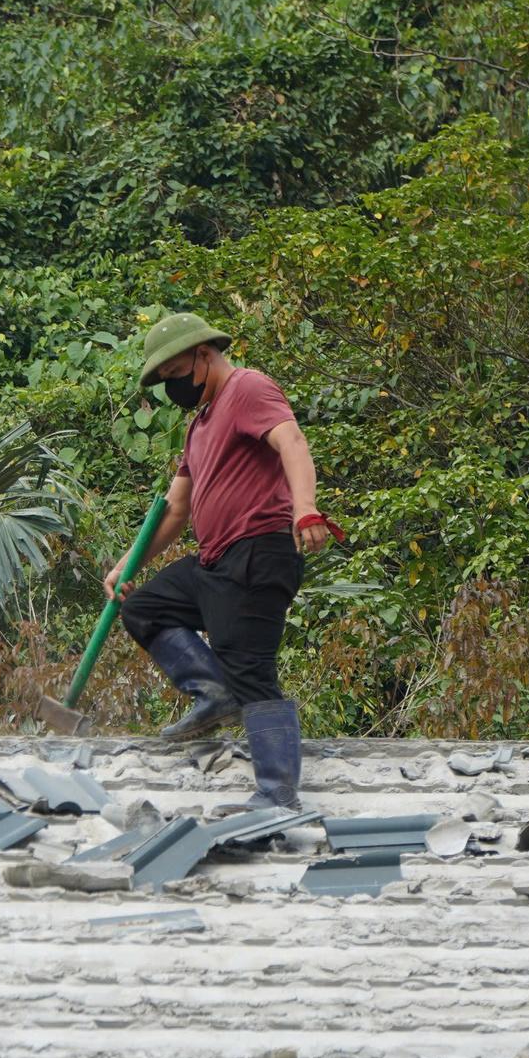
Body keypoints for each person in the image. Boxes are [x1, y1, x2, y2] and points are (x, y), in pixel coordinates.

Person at [104, 312, 338, 814]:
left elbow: (292, 442)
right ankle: (213, 693)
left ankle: (277, 794)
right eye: (164, 381)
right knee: (145, 607)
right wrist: (128, 563)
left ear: (203, 356)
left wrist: (305, 509)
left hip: (259, 551)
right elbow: (175, 511)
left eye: (174, 375)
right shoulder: (199, 427)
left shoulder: (248, 389)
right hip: (215, 562)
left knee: (251, 668)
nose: (173, 388)